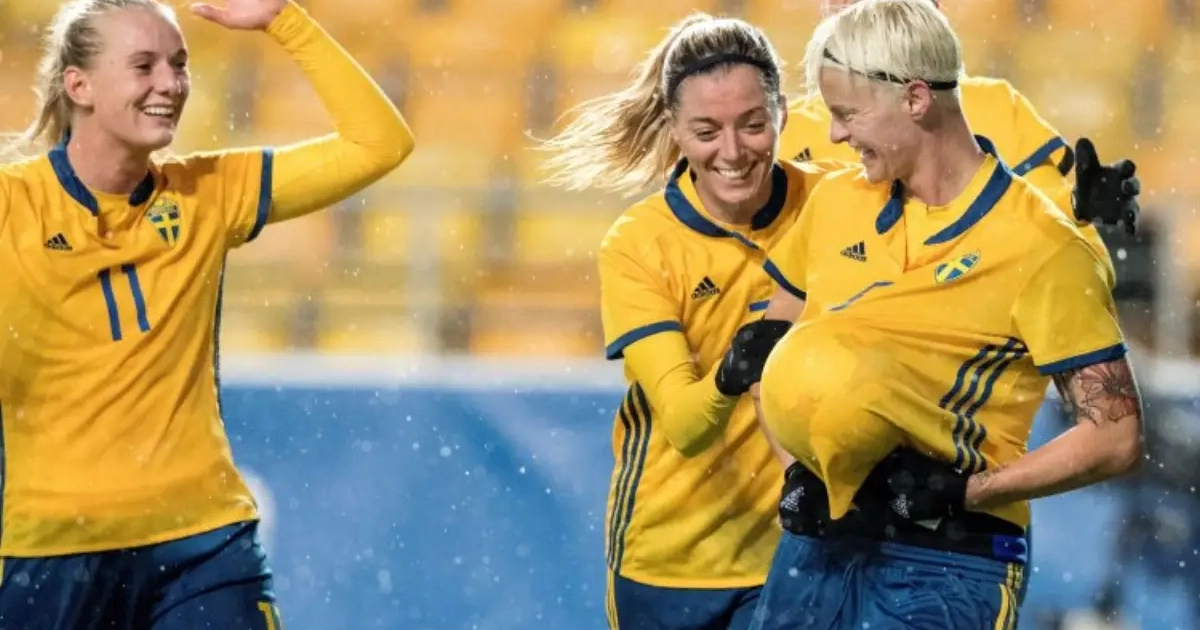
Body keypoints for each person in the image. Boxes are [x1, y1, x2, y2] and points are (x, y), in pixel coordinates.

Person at [0, 0, 413, 628]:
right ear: (78, 86)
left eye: (179, 64)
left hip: (204, 542)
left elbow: (379, 143)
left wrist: (285, 20)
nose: (170, 83)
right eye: (144, 66)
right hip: (49, 552)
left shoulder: (209, 192)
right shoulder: (13, 204)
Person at [746, 0, 1143, 628]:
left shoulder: (1043, 245)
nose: (835, 136)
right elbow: (771, 353)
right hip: (816, 549)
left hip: (951, 561)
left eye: (847, 114)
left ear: (914, 98)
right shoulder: (834, 203)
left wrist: (963, 493)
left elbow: (1115, 437)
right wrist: (796, 472)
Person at [539, 13, 834, 630]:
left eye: (752, 124)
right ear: (674, 130)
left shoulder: (836, 203)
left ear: (783, 114)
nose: (733, 152)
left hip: (796, 551)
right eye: (706, 131)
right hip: (668, 560)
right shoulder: (639, 244)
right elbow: (684, 425)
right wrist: (732, 372)